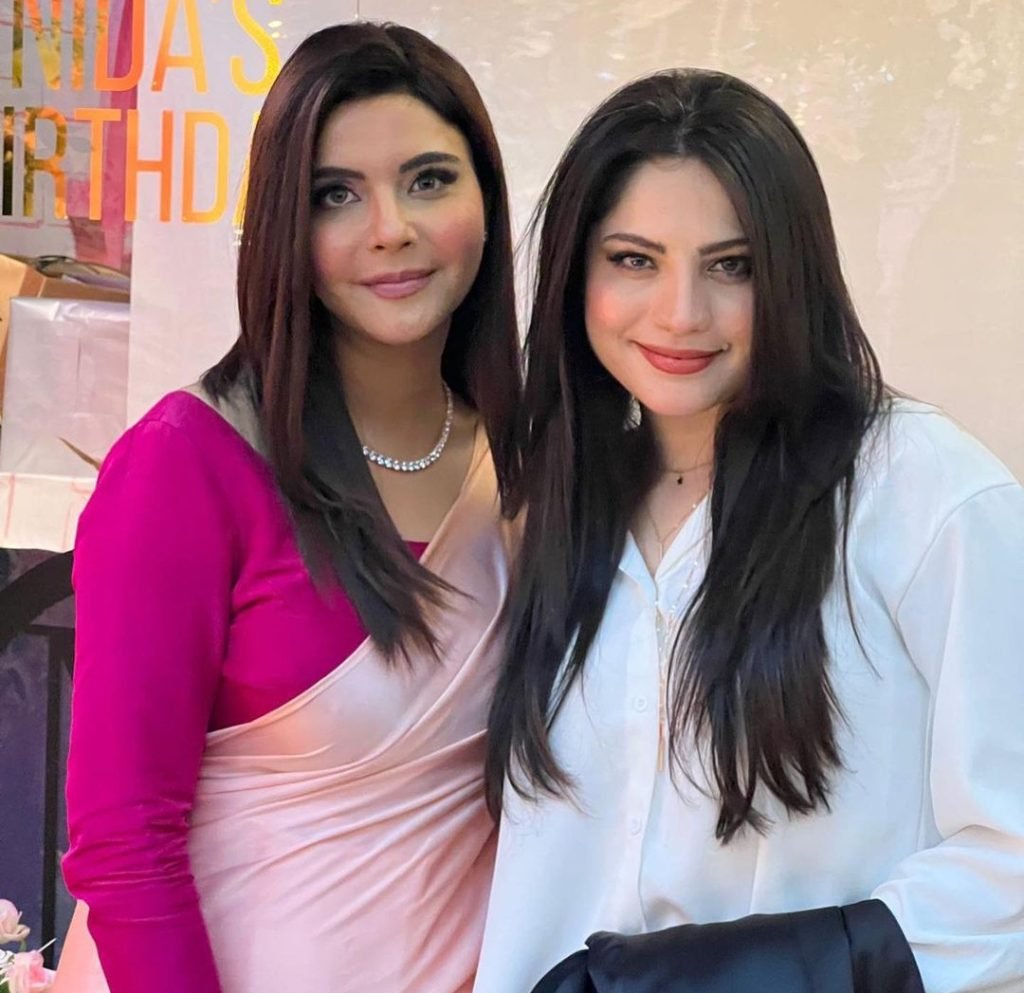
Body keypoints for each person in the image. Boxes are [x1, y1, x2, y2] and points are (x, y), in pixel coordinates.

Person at [476, 69, 1024, 993]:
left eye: (731, 265)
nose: (681, 313)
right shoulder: (553, 505)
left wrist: (772, 967)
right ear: (576, 275)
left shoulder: (926, 496)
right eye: (634, 260)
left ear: (793, 274)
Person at [54, 21, 520, 993]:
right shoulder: (186, 465)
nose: (389, 228)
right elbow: (123, 842)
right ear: (283, 227)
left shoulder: (528, 465)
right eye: (334, 195)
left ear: (485, 197)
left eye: (429, 179)